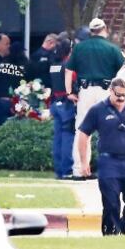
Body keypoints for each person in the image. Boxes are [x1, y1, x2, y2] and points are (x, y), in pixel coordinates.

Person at [77, 78, 125, 236]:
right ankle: (110, 233)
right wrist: (84, 162)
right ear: (110, 91)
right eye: (118, 95)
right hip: (108, 161)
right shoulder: (98, 109)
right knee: (111, 202)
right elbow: (83, 135)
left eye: (124, 95)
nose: (121, 99)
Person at [68, 18, 125, 179]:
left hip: (85, 90)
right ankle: (110, 169)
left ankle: (79, 169)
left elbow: (68, 70)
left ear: (91, 31)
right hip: (106, 91)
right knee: (109, 129)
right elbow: (124, 70)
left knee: (81, 130)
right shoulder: (112, 48)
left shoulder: (79, 48)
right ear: (104, 29)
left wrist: (69, 92)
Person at [0, 42, 27, 136]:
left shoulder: (1, 65)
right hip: (19, 105)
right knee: (17, 133)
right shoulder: (25, 67)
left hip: (0, 103)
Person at [48, 39, 77, 179]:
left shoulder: (54, 65)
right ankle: (67, 170)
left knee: (58, 138)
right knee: (68, 137)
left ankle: (59, 170)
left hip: (55, 102)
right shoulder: (68, 66)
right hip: (67, 104)